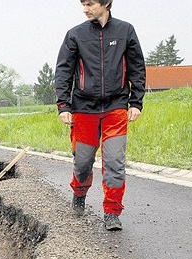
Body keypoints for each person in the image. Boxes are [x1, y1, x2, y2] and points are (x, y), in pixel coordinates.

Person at [54, 0, 146, 231]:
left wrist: (136, 102)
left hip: (116, 106)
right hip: (83, 108)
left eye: (90, 3)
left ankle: (112, 212)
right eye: (83, 4)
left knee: (114, 162)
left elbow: (137, 67)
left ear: (105, 3)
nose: (85, 8)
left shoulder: (125, 31)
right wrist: (64, 106)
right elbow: (63, 70)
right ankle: (79, 192)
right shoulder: (75, 34)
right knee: (83, 162)